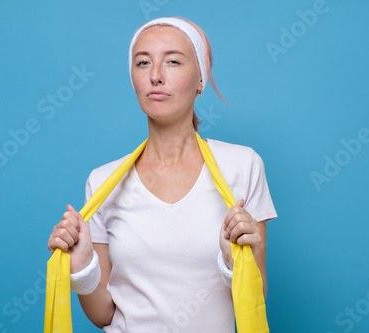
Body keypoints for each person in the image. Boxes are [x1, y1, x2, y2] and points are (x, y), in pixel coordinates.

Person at [47, 17, 277, 332]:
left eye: (172, 61)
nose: (156, 76)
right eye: (143, 63)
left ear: (200, 79)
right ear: (133, 79)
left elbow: (255, 301)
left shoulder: (242, 166)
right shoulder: (101, 182)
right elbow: (103, 314)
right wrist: (82, 269)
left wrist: (234, 263)